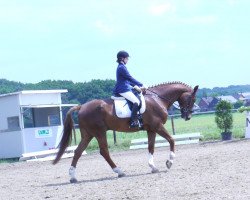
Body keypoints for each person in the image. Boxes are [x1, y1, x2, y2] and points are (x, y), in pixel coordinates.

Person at [113, 50, 146, 128]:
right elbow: (129, 78)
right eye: (127, 58)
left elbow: (127, 80)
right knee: (136, 101)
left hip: (126, 87)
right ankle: (133, 121)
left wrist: (134, 86)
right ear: (122, 59)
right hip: (123, 89)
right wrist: (141, 84)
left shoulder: (122, 67)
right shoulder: (121, 67)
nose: (127, 60)